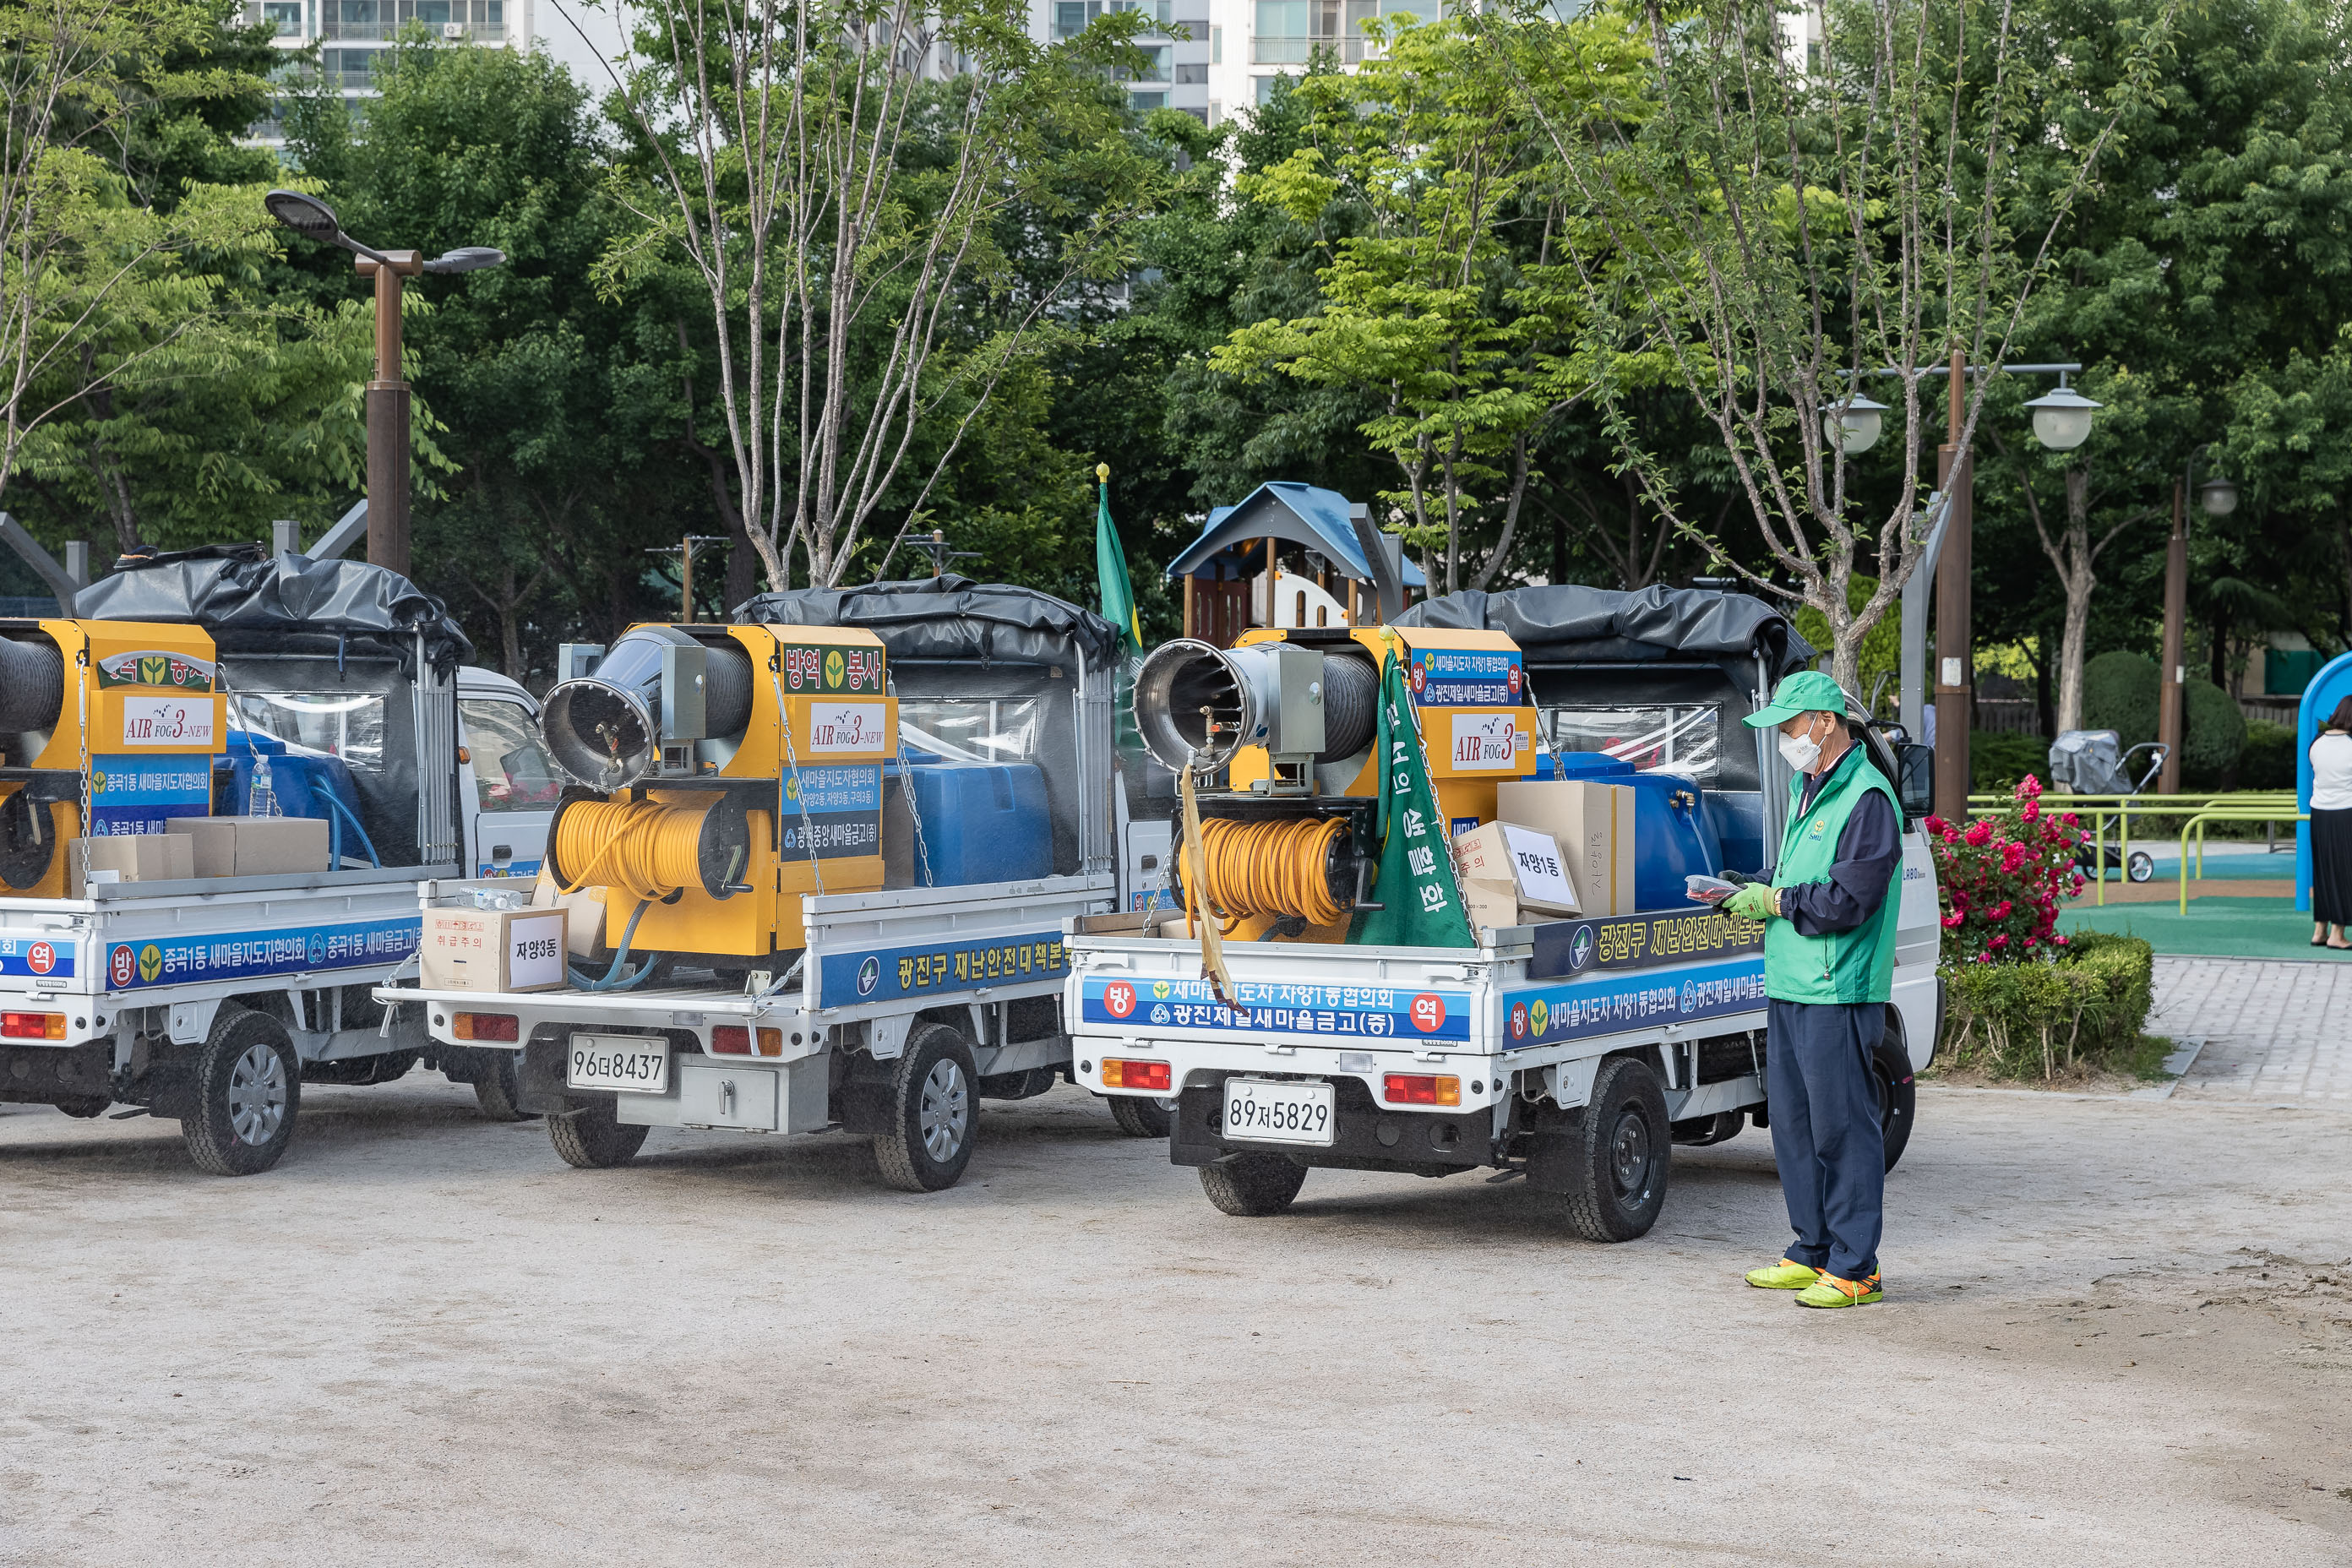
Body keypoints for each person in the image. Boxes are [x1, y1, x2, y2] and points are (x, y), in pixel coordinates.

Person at [1721, 669, 1903, 1309]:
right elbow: (1798, 874)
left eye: (1790, 727)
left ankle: (1857, 1268)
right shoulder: (1810, 787)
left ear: (1825, 723)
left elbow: (1850, 898)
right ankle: (1813, 1251)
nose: (1783, 740)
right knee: (1794, 1128)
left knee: (1841, 1128)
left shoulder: (1868, 797)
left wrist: (1773, 899)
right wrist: (1747, 885)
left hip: (1837, 987)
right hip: (1794, 983)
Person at [2311, 696, 2352, 949]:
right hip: (2346, 813)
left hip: (2319, 813)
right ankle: (2338, 934)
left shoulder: (2316, 743)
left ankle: (2320, 930)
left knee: (2324, 871)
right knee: (2345, 873)